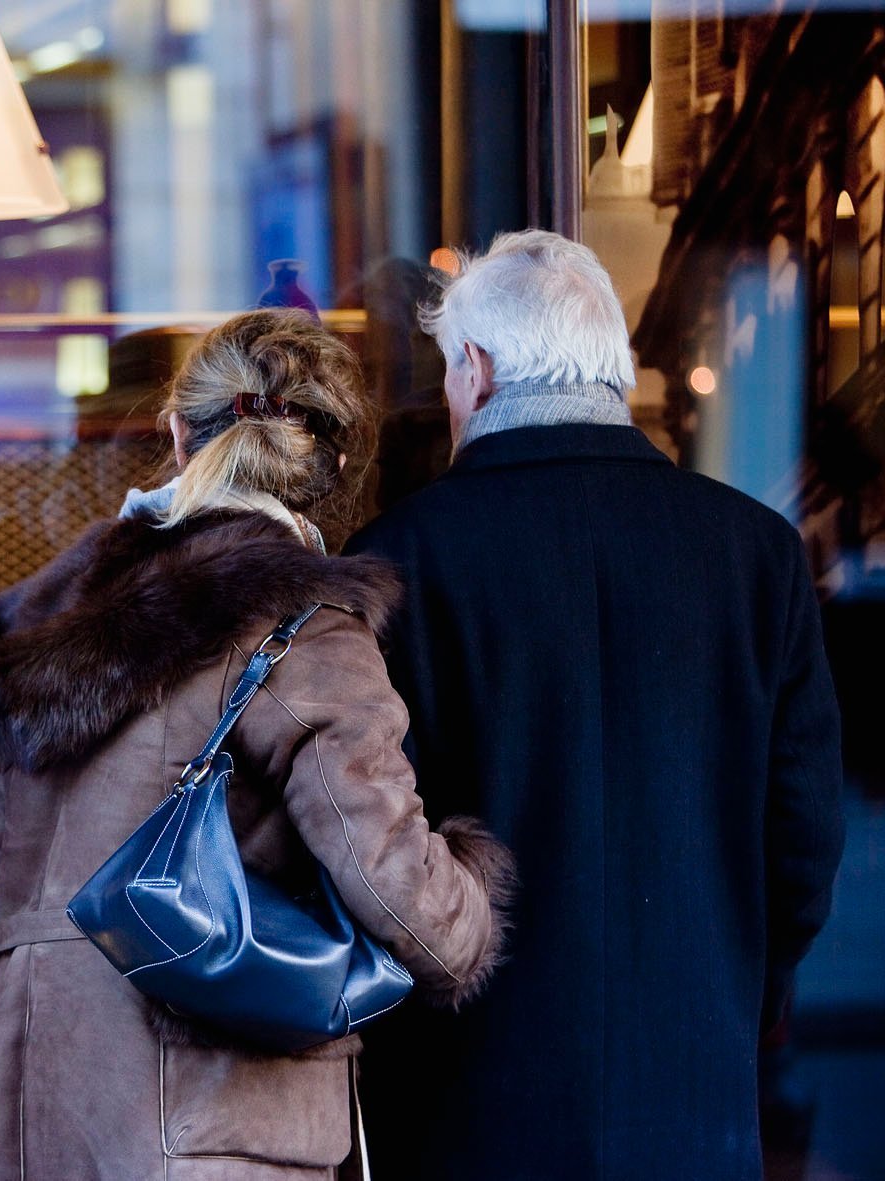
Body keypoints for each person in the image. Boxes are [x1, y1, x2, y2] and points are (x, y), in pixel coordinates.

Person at [0, 308, 514, 1179]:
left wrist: (32, 1010)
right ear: (337, 464)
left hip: (7, 1117)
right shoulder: (305, 628)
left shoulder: (30, 617)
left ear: (174, 434)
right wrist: (471, 890)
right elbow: (395, 887)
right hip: (205, 1134)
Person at [347, 230, 846, 1180]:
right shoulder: (756, 556)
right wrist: (739, 978)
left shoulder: (394, 563)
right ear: (608, 369)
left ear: (479, 371)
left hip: (466, 1099)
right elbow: (806, 835)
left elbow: (368, 836)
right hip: (694, 1091)